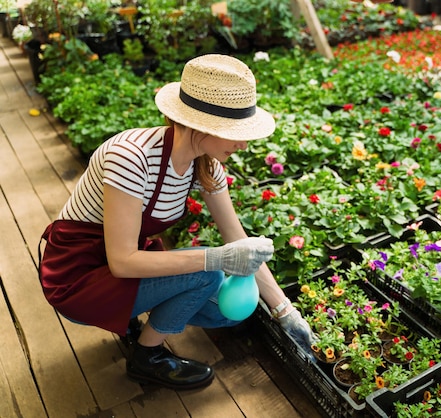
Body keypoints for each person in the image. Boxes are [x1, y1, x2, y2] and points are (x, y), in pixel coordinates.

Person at [38, 54, 316, 390]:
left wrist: (286, 312)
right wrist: (215, 258)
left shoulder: (205, 166)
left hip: (120, 267)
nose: (243, 145)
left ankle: (130, 318)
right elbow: (122, 262)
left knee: (226, 312)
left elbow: (236, 237)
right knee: (208, 273)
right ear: (203, 124)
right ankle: (147, 358)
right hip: (79, 275)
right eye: (236, 133)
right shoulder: (132, 158)